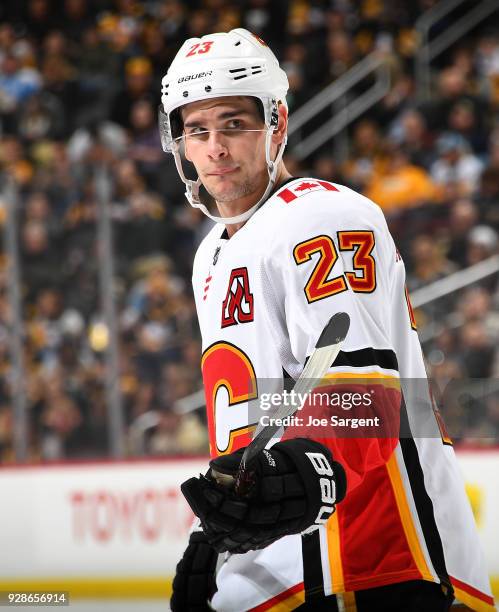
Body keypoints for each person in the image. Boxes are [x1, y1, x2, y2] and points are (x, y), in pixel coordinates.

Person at [158, 29, 494, 611]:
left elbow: (366, 400)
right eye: (197, 129)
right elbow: (258, 417)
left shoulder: (323, 214)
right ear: (178, 143)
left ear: (276, 125)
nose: (214, 147)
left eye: (234, 124)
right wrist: (216, 538)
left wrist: (303, 474)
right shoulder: (209, 255)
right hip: (286, 565)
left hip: (373, 558)